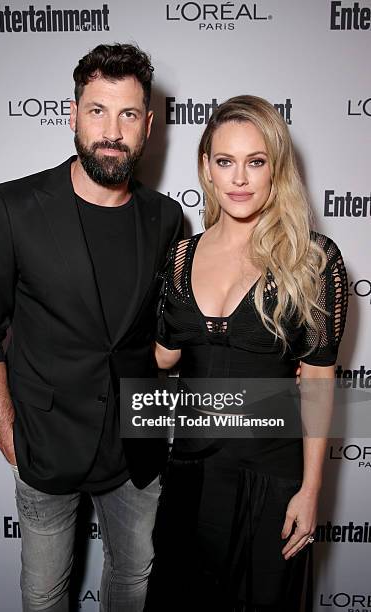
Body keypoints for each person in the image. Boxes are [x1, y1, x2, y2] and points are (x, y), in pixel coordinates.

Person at [0, 43, 183, 612]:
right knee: (45, 594)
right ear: (73, 114)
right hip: (46, 446)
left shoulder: (167, 218)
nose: (112, 130)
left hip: (138, 450)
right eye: (97, 110)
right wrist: (10, 433)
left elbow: (168, 335)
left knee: (133, 584)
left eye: (128, 114)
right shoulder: (12, 208)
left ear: (148, 126)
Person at [148, 95, 348, 611]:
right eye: (225, 161)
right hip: (189, 475)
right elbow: (164, 358)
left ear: (276, 170)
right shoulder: (179, 256)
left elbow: (320, 381)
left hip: (271, 481)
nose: (239, 178)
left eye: (255, 162)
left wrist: (311, 491)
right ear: (207, 170)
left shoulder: (313, 259)